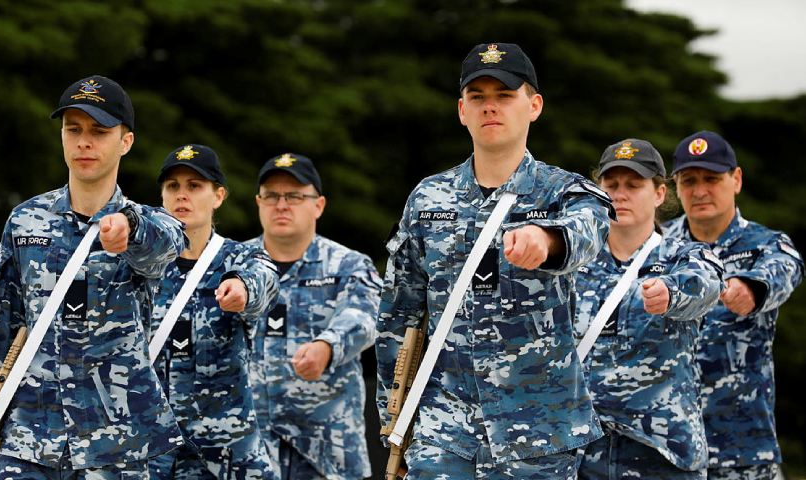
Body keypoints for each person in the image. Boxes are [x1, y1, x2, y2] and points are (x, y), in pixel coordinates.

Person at [376, 42, 615, 479]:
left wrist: (547, 240)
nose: (491, 107)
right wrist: (392, 414)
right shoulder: (428, 197)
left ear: (534, 105)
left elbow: (589, 230)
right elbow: (400, 312)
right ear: (462, 110)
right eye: (478, 97)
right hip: (443, 429)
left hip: (538, 430)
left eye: (505, 96)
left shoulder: (564, 192)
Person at [0, 75, 186, 478]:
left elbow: (166, 245)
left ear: (125, 142)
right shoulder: (27, 220)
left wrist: (129, 229)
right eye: (73, 130)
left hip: (116, 445)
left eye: (99, 131)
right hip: (28, 440)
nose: (84, 142)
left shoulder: (148, 224)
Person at [574, 139, 724, 479]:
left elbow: (708, 284)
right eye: (610, 185)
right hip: (580, 454)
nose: (620, 194)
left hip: (660, 453)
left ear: (659, 193)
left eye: (633, 184)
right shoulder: (572, 259)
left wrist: (672, 292)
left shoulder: (682, 255)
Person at [663, 131, 804, 480]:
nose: (699, 191)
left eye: (712, 179)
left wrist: (752, 287)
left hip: (741, 449)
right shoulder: (657, 247)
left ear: (736, 179)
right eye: (689, 180)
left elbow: (787, 269)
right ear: (676, 187)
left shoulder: (764, 245)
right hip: (665, 449)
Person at [245, 153, 381, 480]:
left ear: (318, 205)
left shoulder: (348, 265)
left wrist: (328, 346)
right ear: (259, 203)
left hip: (326, 455)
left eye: (294, 196)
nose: (281, 205)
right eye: (272, 196)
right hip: (250, 452)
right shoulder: (234, 267)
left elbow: (366, 316)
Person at [147, 144, 280, 479]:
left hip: (225, 451)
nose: (182, 195)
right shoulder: (141, 264)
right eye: (173, 186)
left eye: (194, 186)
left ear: (218, 196)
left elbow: (266, 277)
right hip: (151, 449)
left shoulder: (239, 258)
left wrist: (243, 288)